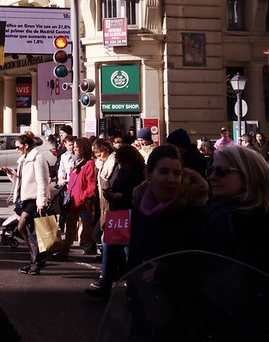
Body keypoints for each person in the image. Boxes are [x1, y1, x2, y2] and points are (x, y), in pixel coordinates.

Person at [126, 145, 208, 340]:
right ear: (148, 174)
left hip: (181, 315)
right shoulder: (139, 210)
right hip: (145, 311)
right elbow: (136, 256)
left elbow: (205, 266)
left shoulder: (194, 213)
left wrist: (166, 272)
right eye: (163, 172)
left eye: (176, 173)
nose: (171, 179)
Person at [85, 144, 145, 299]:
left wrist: (119, 195)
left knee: (121, 248)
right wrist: (111, 193)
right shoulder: (128, 170)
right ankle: (113, 283)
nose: (120, 164)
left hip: (128, 212)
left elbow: (136, 193)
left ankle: (116, 284)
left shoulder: (137, 172)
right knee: (116, 247)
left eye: (122, 162)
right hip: (119, 212)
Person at [203, 144, 269, 273]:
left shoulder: (259, 223)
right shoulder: (212, 213)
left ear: (248, 175)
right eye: (210, 170)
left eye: (222, 171)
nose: (212, 177)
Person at [2, 133, 51, 275]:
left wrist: (42, 202)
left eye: (18, 146)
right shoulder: (23, 159)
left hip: (34, 198)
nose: (16, 149)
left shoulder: (37, 158)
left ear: (26, 146)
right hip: (25, 198)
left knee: (22, 226)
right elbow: (22, 181)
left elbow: (43, 181)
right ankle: (35, 260)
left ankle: (38, 259)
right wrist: (12, 174)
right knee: (28, 230)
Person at [54, 136, 98, 260]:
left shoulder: (89, 163)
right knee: (71, 225)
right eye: (74, 147)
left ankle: (92, 246)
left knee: (87, 227)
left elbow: (91, 184)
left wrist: (85, 196)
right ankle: (65, 250)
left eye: (77, 147)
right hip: (74, 199)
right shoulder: (78, 161)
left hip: (83, 200)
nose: (74, 149)